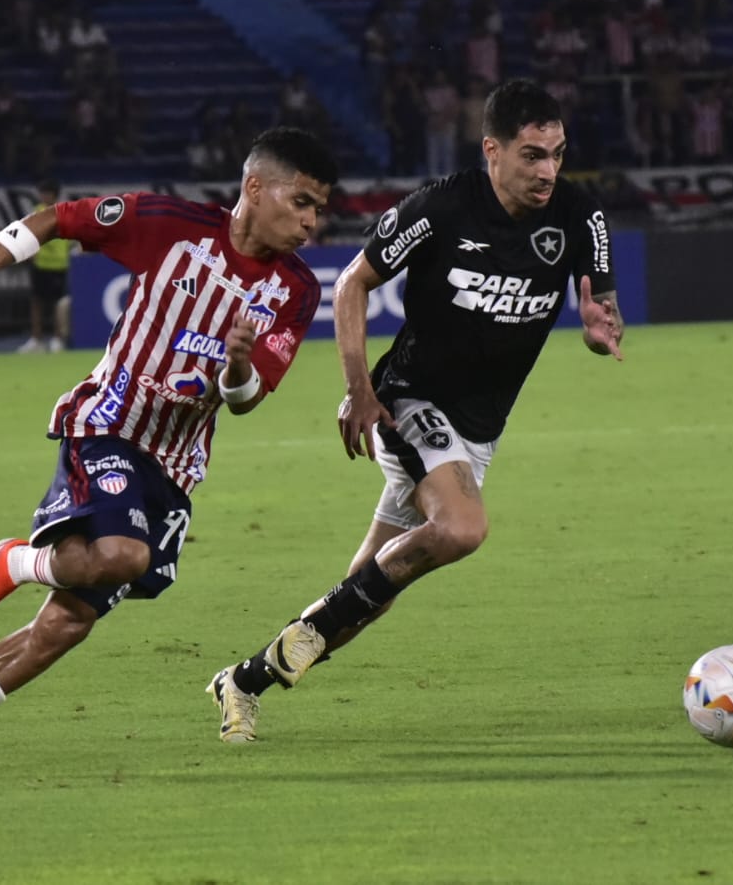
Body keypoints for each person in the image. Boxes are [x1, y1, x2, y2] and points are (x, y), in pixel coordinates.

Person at [0, 127, 340, 779]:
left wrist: (234, 368)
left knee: (64, 626)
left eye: (319, 210)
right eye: (303, 202)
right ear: (255, 188)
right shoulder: (167, 223)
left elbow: (247, 398)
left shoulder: (296, 289)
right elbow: (55, 220)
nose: (312, 223)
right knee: (121, 553)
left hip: (174, 468)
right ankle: (15, 561)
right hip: (109, 423)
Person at [205, 80, 626, 743]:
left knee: (365, 594)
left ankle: (244, 679)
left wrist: (601, 326)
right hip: (408, 399)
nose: (547, 171)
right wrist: (356, 389)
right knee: (460, 527)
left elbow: (602, 301)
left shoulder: (580, 215)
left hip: (478, 427)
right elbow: (352, 283)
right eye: (531, 154)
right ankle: (284, 651)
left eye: (556, 153)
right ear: (492, 149)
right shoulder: (442, 205)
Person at [17, 180, 71, 353]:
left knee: (58, 303)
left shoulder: (65, 211)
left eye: (45, 192)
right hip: (40, 263)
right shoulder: (38, 211)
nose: (42, 196)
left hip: (59, 264)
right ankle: (36, 339)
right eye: (41, 193)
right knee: (36, 302)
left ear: (53, 194)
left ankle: (57, 338)